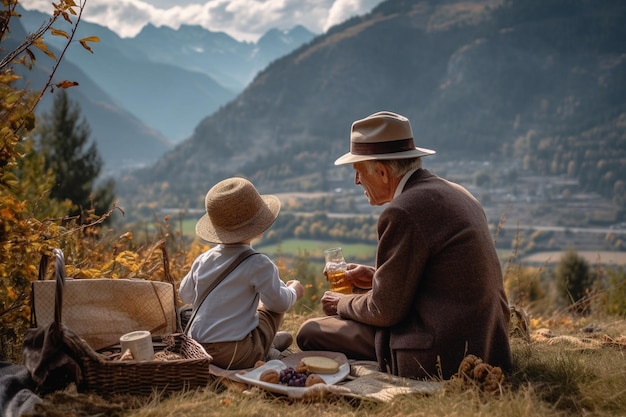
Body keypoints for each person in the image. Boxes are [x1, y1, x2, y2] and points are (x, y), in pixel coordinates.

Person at [296, 111, 512, 379]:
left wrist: (342, 302)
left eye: (358, 171)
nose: (356, 181)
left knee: (311, 331)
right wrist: (375, 278)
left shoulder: (404, 211)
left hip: (442, 352)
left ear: (383, 172)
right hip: (487, 343)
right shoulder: (456, 192)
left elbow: (383, 311)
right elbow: (440, 280)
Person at [180, 177, 304, 369]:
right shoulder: (258, 263)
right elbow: (280, 303)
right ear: (258, 227)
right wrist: (294, 291)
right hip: (233, 355)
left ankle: (263, 343)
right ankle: (262, 348)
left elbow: (185, 294)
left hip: (196, 348)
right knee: (271, 309)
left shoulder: (203, 259)